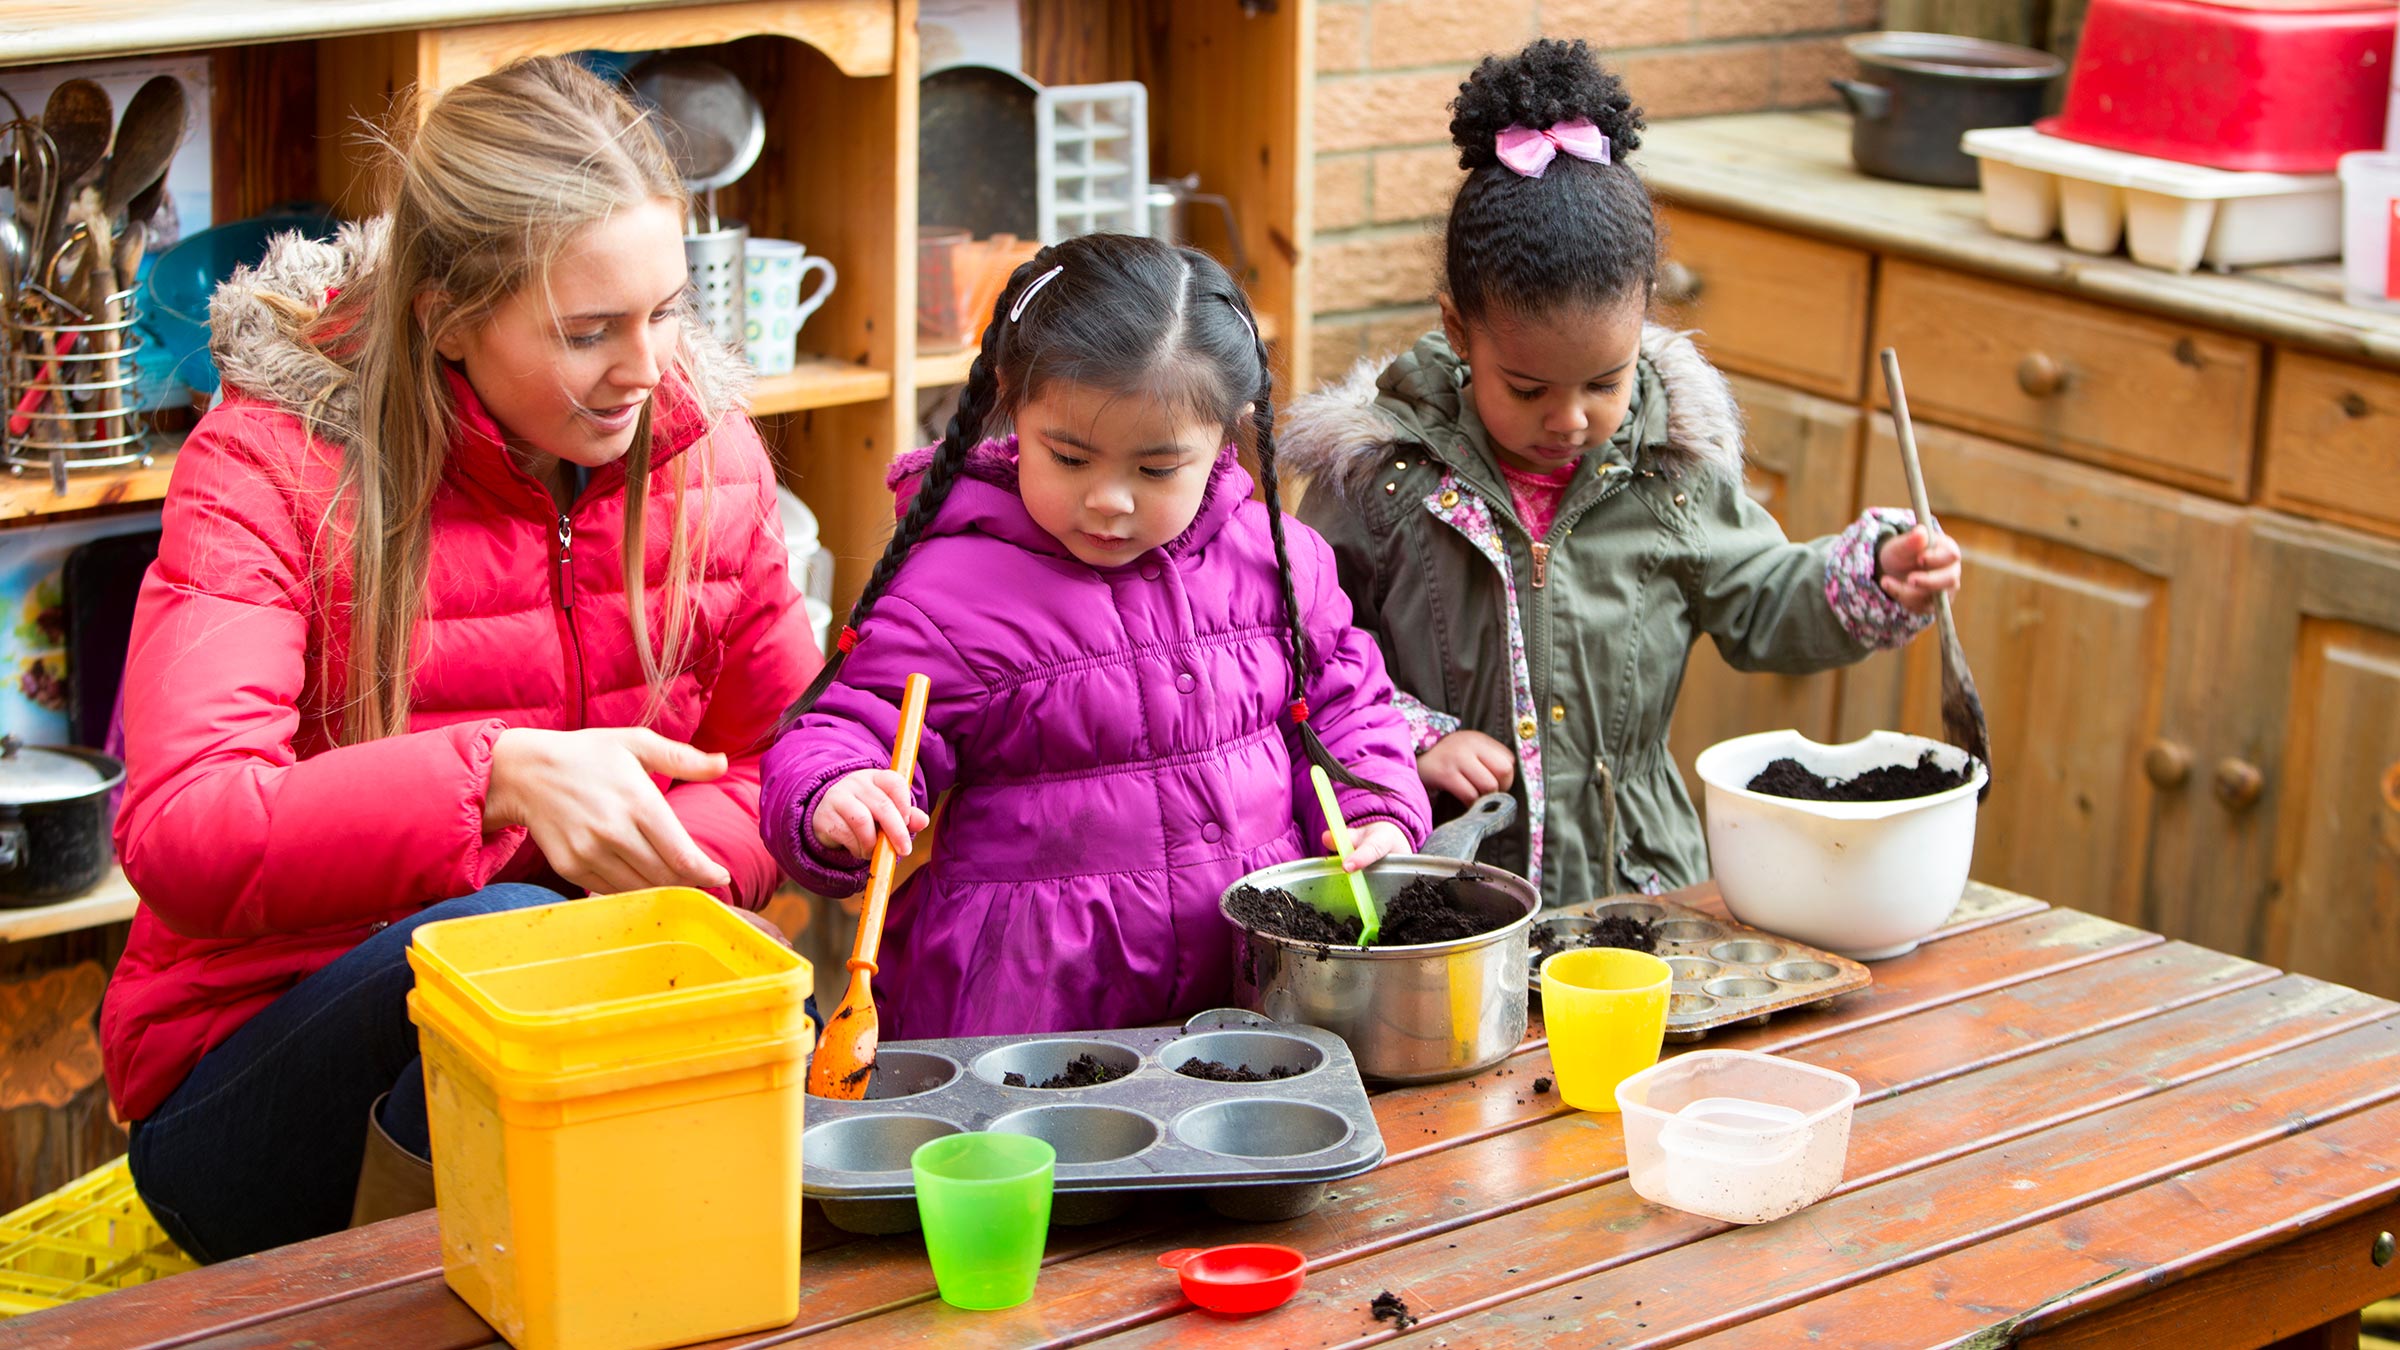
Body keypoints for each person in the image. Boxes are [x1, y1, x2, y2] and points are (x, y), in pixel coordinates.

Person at [103, 56, 817, 1262]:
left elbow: (787, 757)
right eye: (589, 333)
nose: (647, 371)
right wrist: (495, 777)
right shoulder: (268, 470)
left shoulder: (708, 454)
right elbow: (185, 828)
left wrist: (672, 865)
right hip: (256, 1086)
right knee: (503, 937)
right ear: (443, 315)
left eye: (667, 310)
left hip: (587, 1030)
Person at [1286, 38, 1964, 908]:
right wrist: (1413, 738)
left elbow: (1763, 594)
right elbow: (1304, 652)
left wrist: (1874, 574)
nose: (1569, 419)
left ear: (1643, 321)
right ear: (1459, 334)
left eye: (1605, 383)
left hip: (1637, 889)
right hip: (1448, 891)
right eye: (1527, 388)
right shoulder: (1381, 483)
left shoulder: (1670, 474)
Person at [762, 233, 1431, 1039]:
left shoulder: (1277, 564)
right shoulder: (953, 590)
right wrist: (837, 791)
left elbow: (1346, 706)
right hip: (1025, 1009)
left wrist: (1377, 811)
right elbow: (852, 723)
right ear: (1014, 400)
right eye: (1071, 457)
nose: (1109, 500)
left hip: (1251, 986)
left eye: (1155, 470)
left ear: (1228, 434)